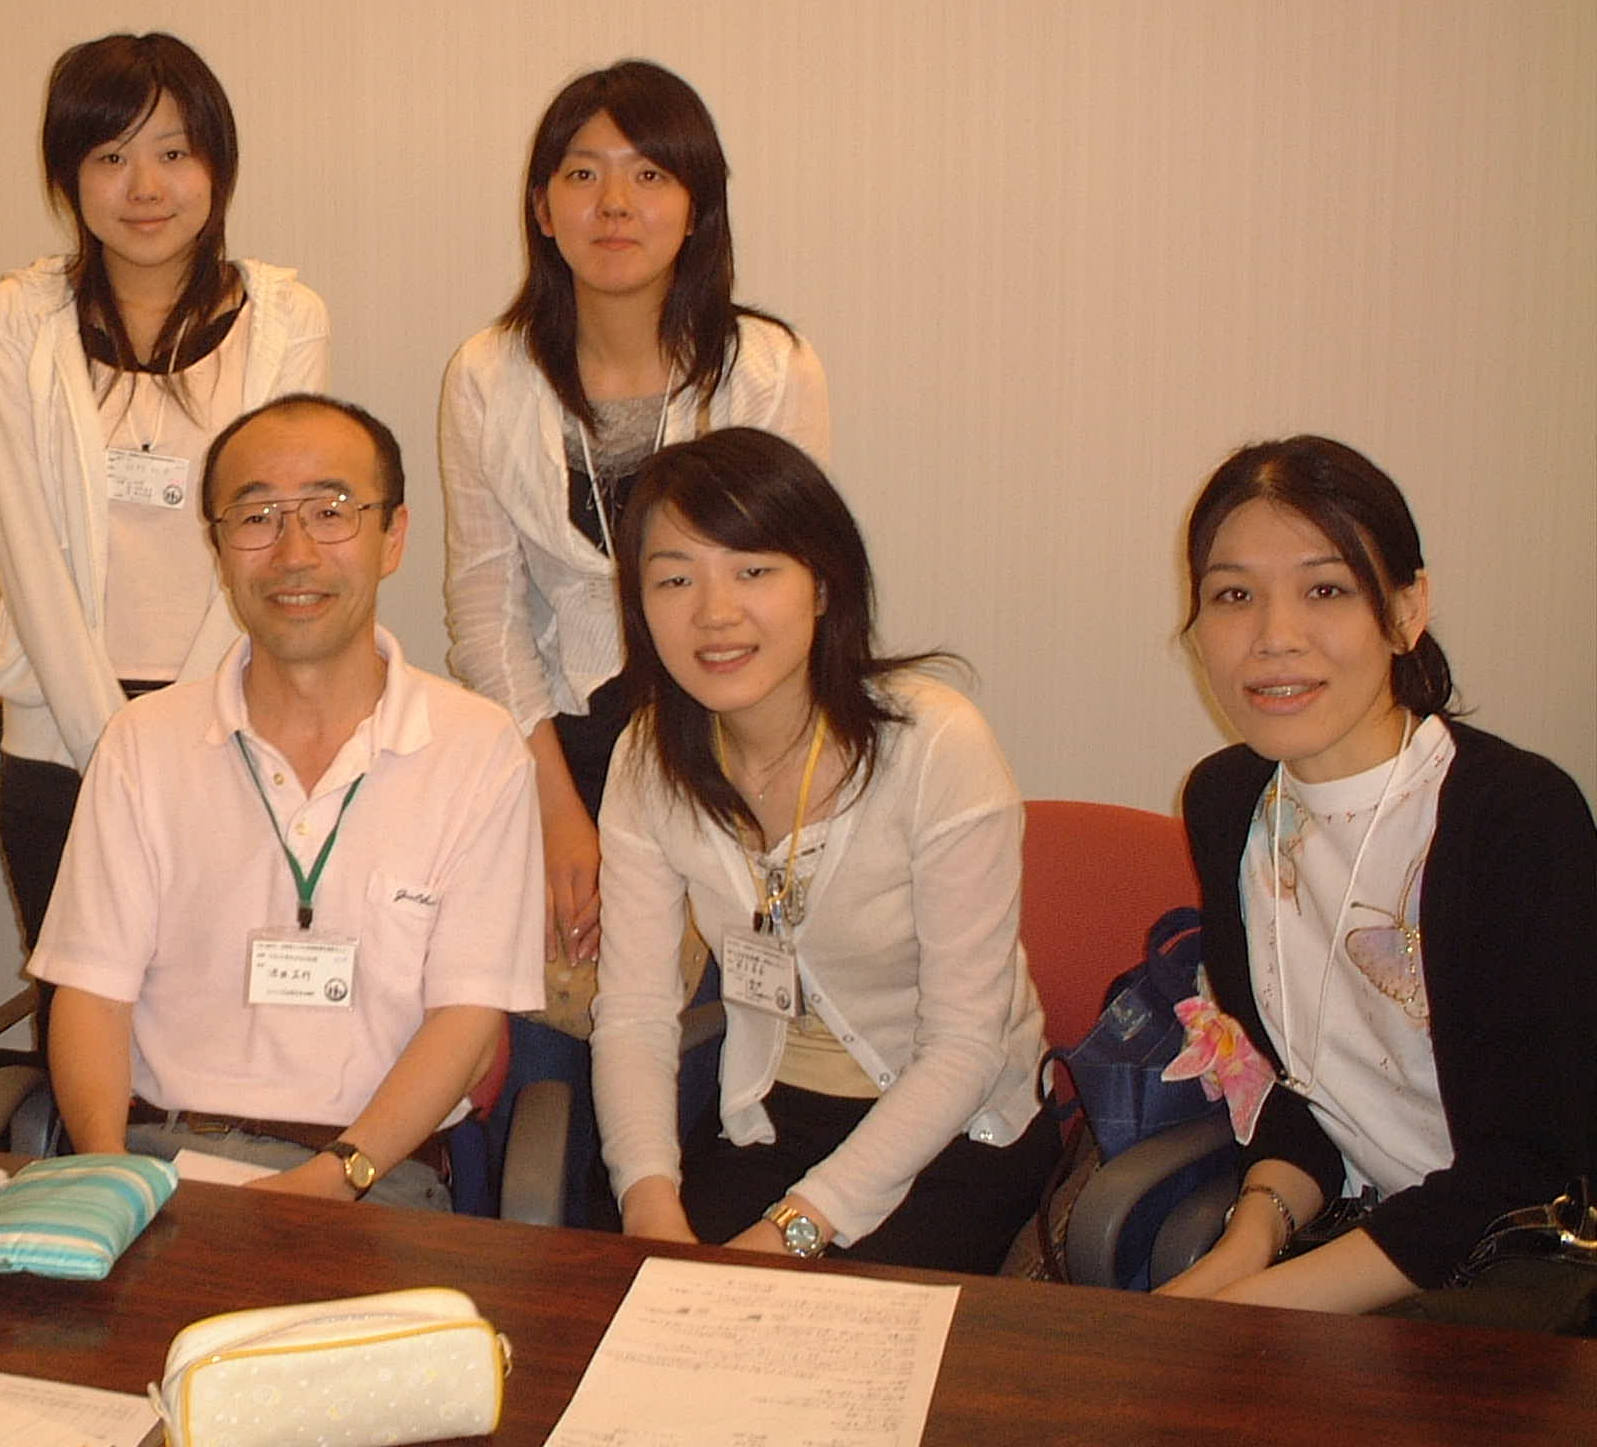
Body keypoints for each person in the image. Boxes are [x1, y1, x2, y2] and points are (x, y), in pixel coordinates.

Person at [438, 60, 831, 1216]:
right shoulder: (489, 375)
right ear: (541, 205)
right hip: (557, 749)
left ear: (697, 205)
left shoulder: (766, 369)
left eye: (650, 175)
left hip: (727, 752)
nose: (615, 204)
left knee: (699, 1069)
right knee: (550, 1065)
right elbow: (483, 608)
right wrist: (557, 807)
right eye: (583, 174)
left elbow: (786, 596)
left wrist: (683, 793)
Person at [30, 395, 544, 1210]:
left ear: (393, 537)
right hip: (156, 1160)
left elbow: (466, 1016)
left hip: (376, 1178)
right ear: (219, 549)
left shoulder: (478, 751)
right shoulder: (143, 742)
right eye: (257, 517)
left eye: (331, 512)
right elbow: (91, 991)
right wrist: (105, 1175)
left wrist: (335, 1179)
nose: (294, 552)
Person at [592, 428, 1054, 1270]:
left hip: (954, 1127)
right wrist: (648, 1201)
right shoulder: (647, 761)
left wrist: (792, 1233)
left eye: (754, 571)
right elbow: (633, 1014)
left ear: (825, 584)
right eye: (675, 579)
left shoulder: (934, 747)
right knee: (649, 1305)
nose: (714, 612)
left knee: (819, 1324)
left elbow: (964, 1046)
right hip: (770, 1114)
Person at [1159, 435, 1596, 1315]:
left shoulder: (1513, 817)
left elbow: (1530, 1164)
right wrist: (1239, 1253)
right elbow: (1300, 1091)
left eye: (1326, 590)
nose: (1275, 638)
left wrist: (1249, 1315)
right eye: (1234, 595)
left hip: (1525, 1264)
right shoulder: (1229, 801)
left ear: (1405, 609)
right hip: (1364, 1241)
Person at [0, 32, 328, 971]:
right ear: (70, 176)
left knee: (222, 1009)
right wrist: (116, 750)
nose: (145, 188)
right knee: (81, 1006)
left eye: (173, 153)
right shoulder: (17, 322)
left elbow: (275, 539)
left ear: (217, 167)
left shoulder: (285, 322)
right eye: (111, 157)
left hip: (238, 729)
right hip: (60, 737)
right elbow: (25, 550)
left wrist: (187, 737)